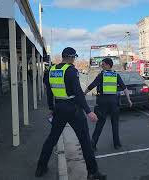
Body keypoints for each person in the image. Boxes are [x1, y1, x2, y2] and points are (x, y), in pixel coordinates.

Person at [35, 47, 106, 180]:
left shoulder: (51, 70)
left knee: (52, 139)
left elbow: (49, 92)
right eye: (74, 58)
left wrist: (51, 108)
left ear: (62, 56)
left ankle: (41, 168)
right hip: (73, 109)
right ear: (72, 57)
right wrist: (89, 111)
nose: (74, 60)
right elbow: (78, 93)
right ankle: (93, 172)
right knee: (85, 140)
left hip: (59, 108)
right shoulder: (71, 70)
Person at [84, 58, 132, 151]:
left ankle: (93, 145)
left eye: (103, 64)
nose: (102, 65)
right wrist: (129, 99)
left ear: (108, 65)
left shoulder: (101, 75)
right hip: (114, 102)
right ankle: (117, 144)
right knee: (115, 124)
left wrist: (84, 93)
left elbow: (92, 85)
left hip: (102, 102)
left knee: (100, 124)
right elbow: (124, 88)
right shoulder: (116, 75)